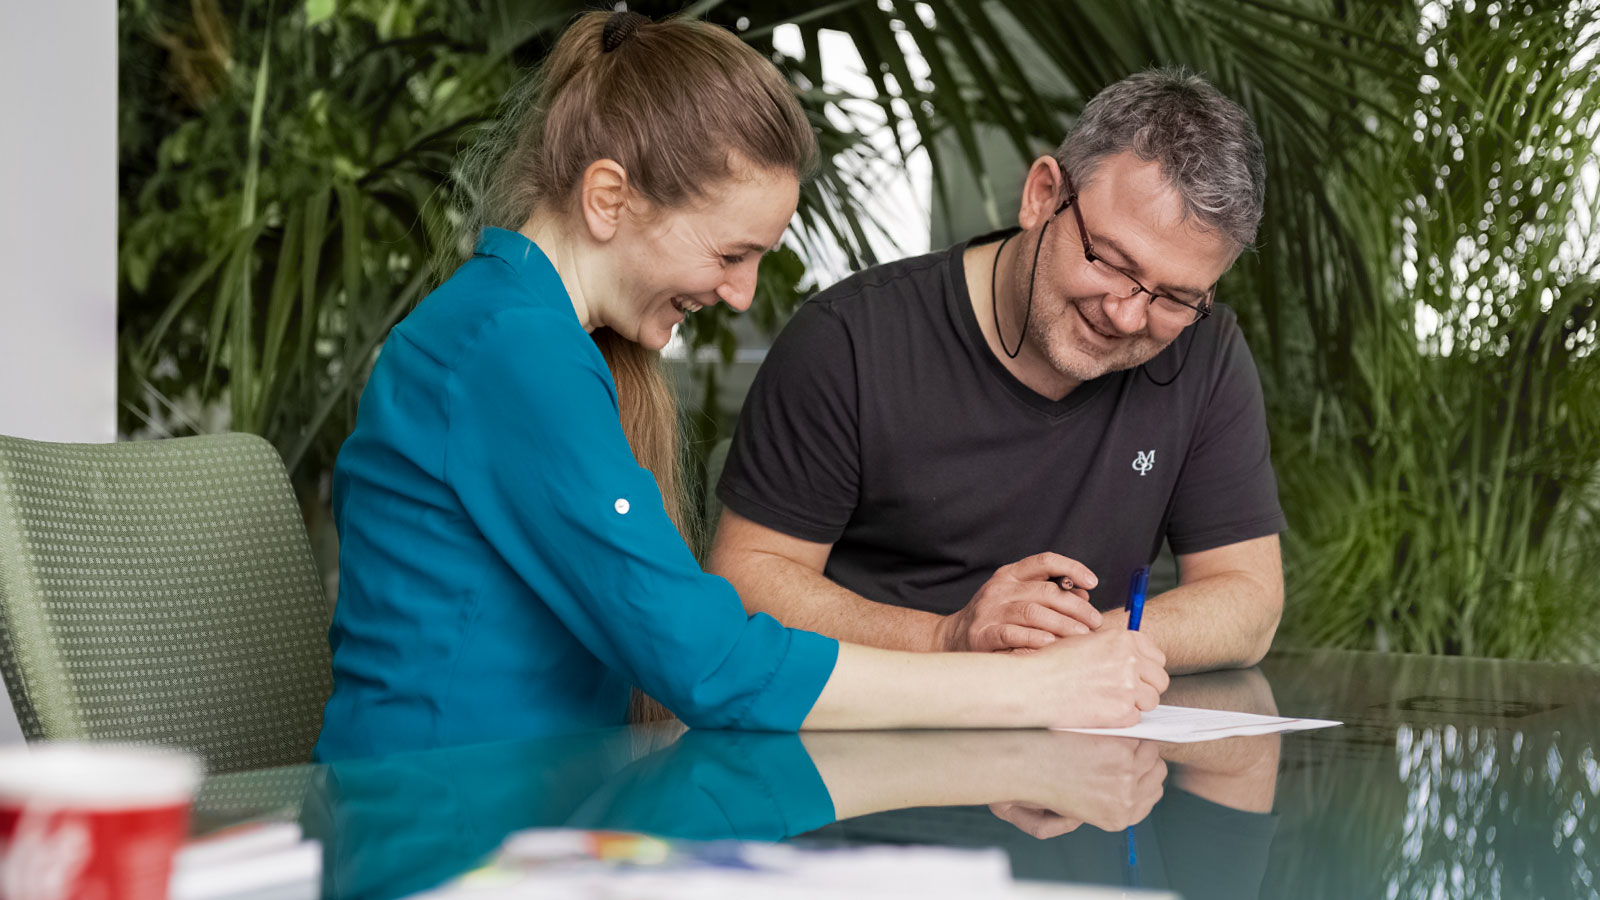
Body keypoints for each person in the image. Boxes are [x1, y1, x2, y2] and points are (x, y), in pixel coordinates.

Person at [313, 11, 1168, 762]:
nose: (742, 294)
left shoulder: (536, 338)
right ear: (608, 199)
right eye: (731, 254)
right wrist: (1028, 690)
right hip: (439, 830)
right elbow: (709, 661)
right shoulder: (510, 349)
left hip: (534, 812)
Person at [709, 69, 1285, 675]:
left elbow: (1249, 599)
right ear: (1042, 195)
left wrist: (1085, 648)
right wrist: (948, 639)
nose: (1126, 315)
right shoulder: (848, 338)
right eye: (1111, 262)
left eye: (1175, 297)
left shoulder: (1204, 349)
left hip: (1079, 720)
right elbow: (746, 578)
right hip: (875, 716)